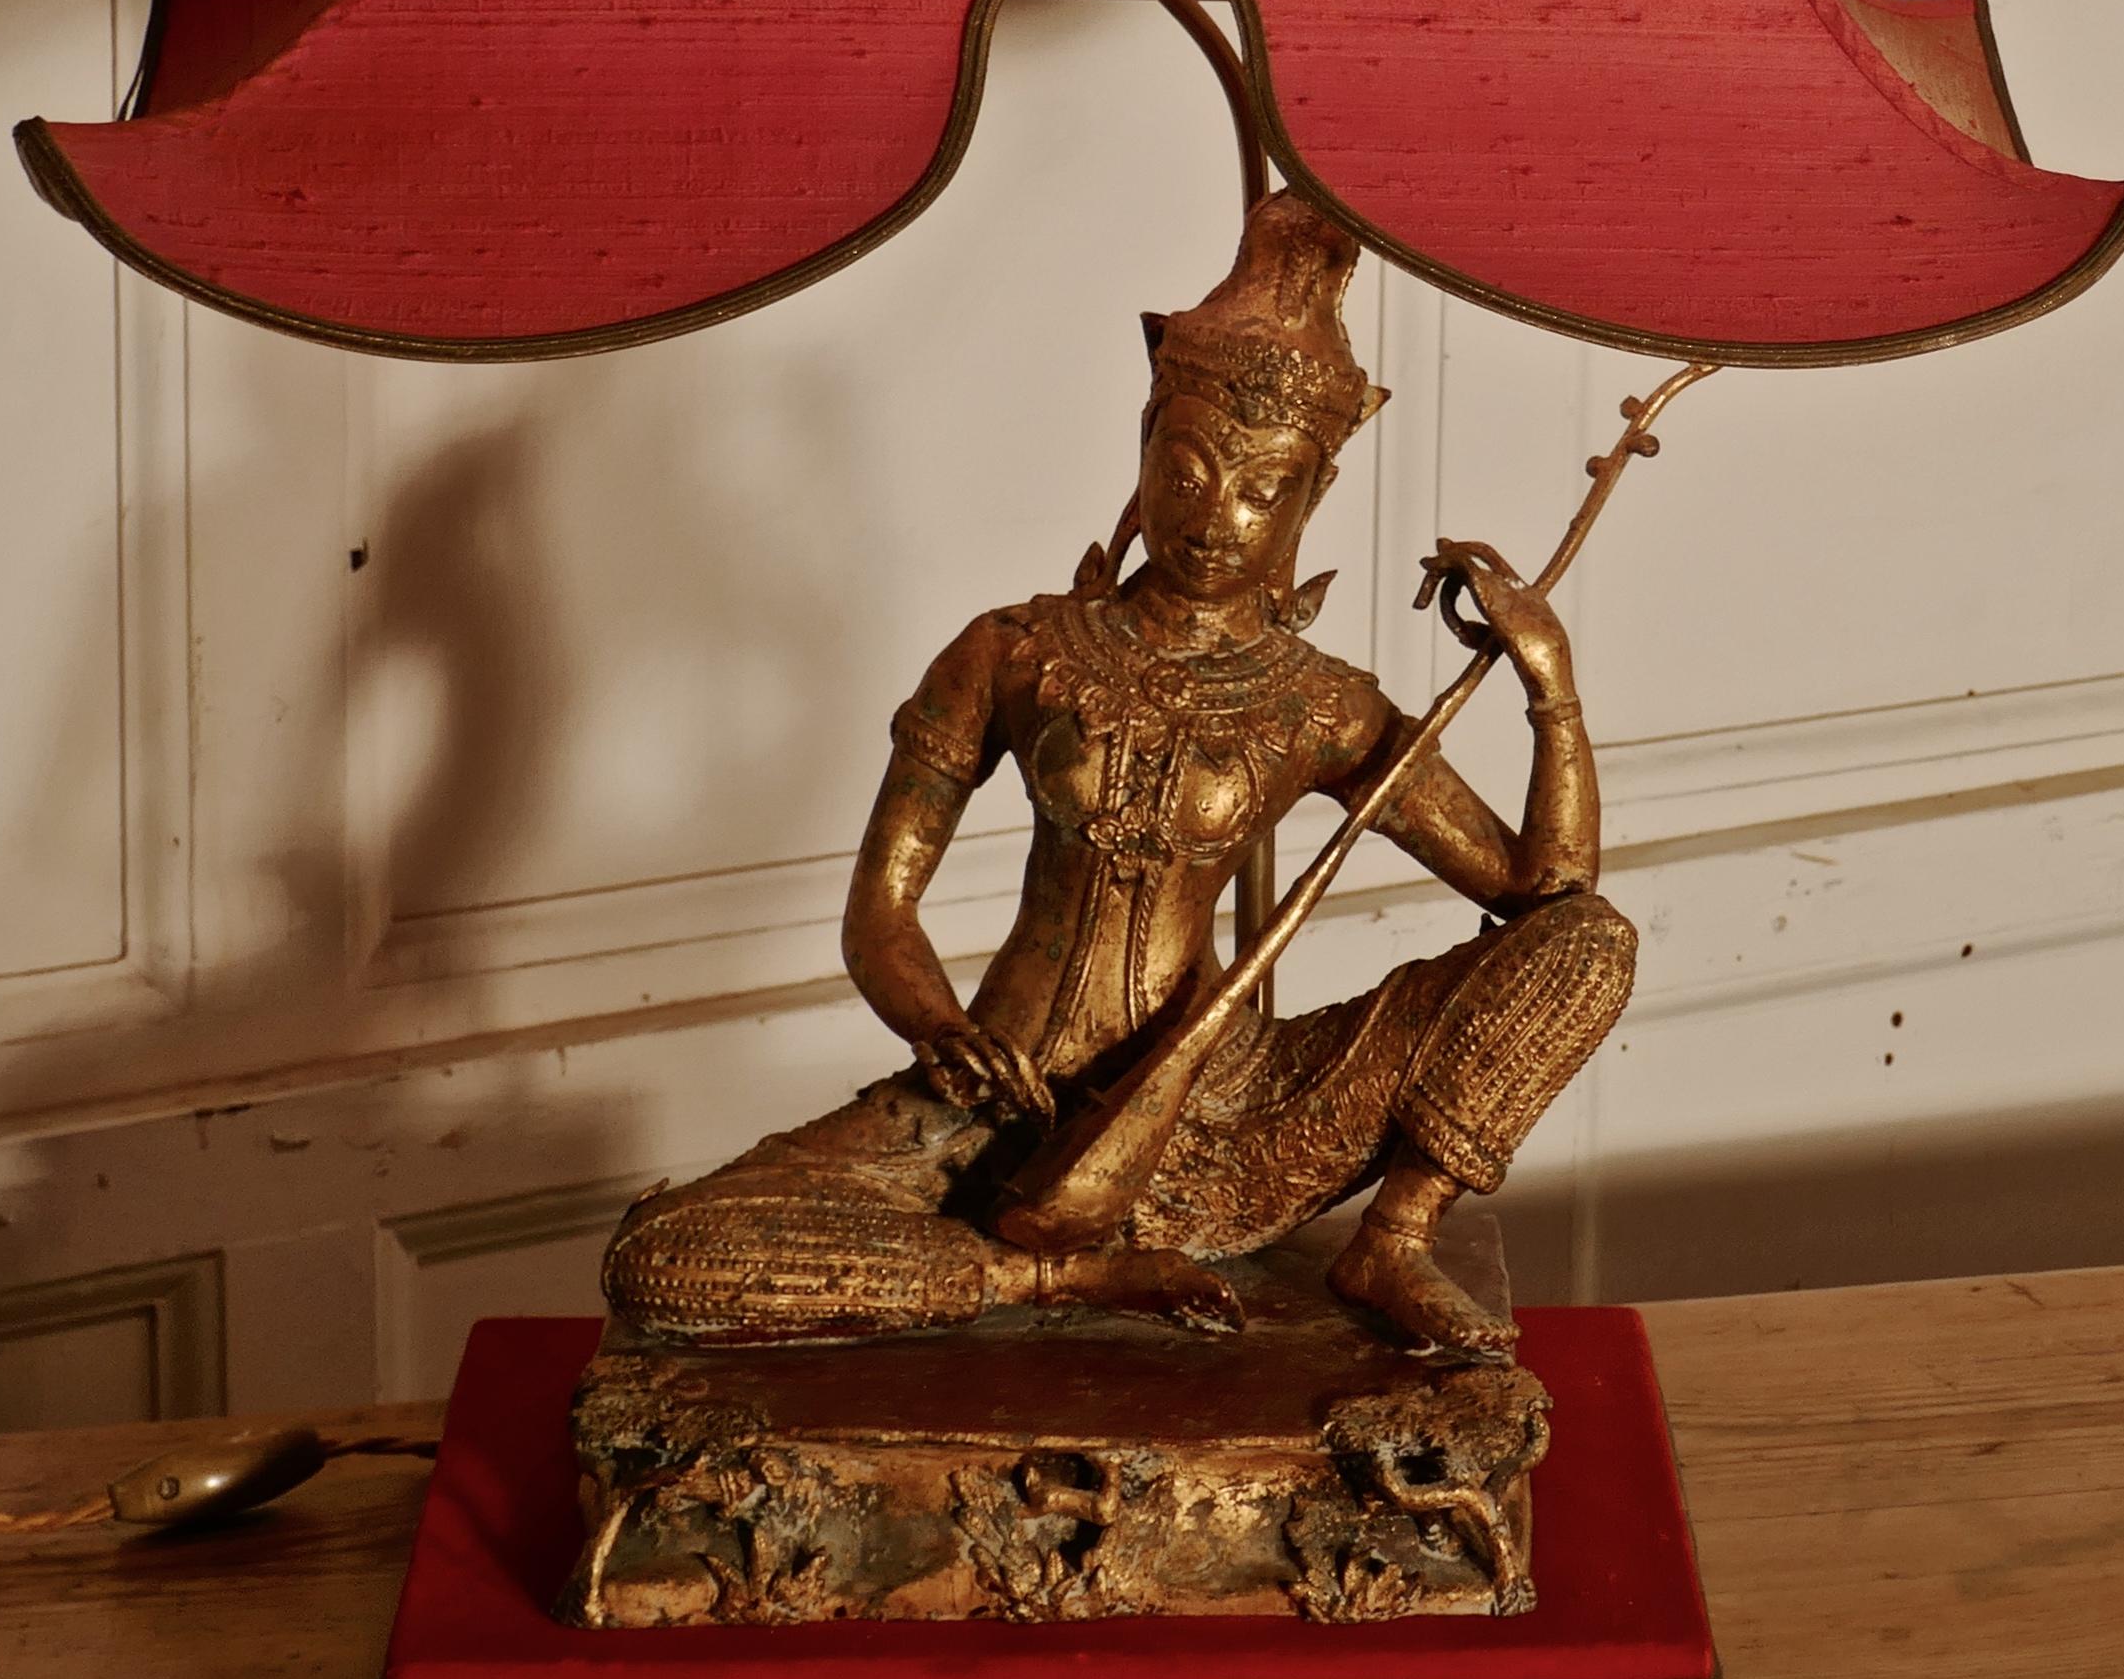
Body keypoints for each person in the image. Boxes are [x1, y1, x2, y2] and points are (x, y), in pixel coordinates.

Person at [603, 191, 1635, 1361]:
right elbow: (881, 911)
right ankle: (1042, 1274)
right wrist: (939, 1026)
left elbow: (1541, 895)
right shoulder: (1013, 651)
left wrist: (1547, 682)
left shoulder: (1317, 703)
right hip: (992, 1107)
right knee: (667, 1259)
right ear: (1145, 451)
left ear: (1310, 498)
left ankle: (1391, 1240)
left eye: (1260, 490)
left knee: (1592, 945)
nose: (1216, 519)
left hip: (1229, 1113)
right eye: (1188, 471)